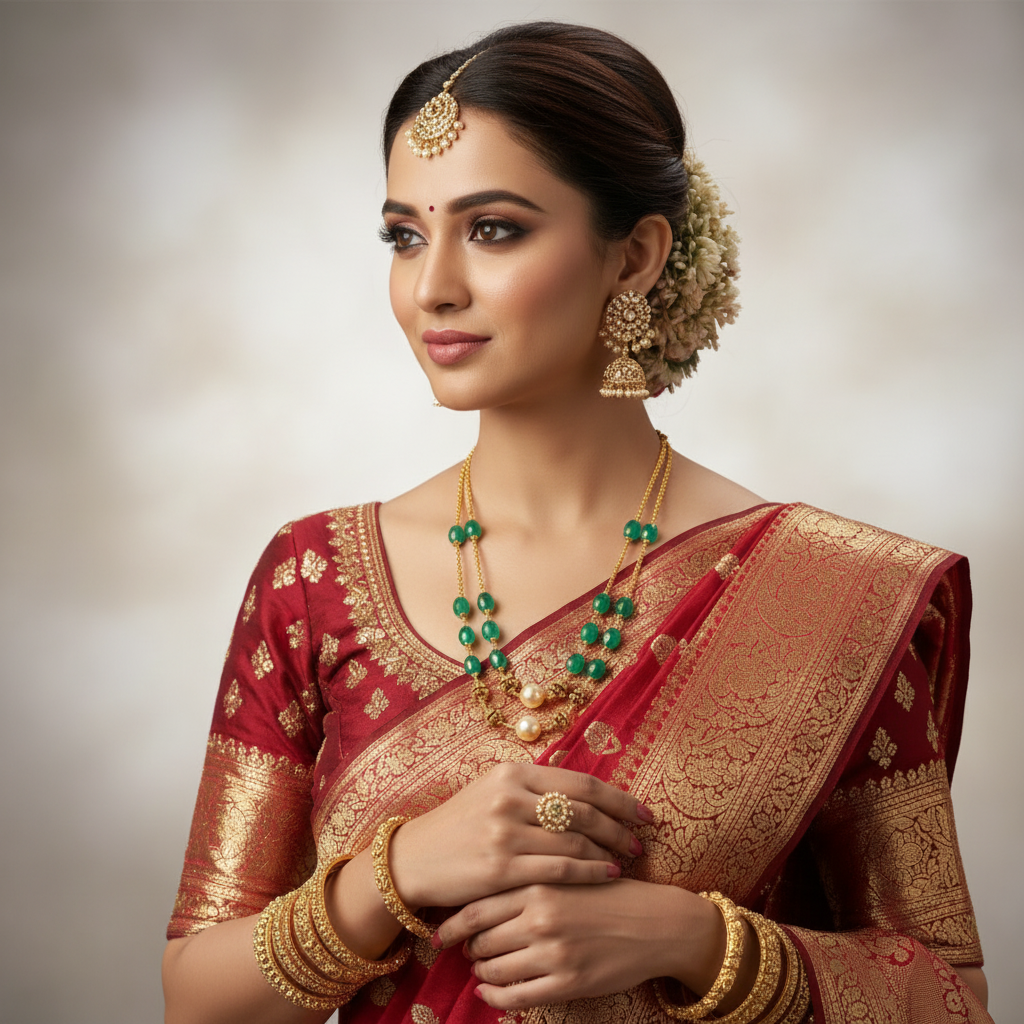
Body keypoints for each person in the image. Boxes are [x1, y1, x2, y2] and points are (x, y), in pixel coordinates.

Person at [162, 21, 991, 1024]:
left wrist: (696, 941)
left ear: (635, 255)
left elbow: (947, 998)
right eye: (404, 235)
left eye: (494, 228)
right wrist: (396, 874)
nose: (433, 287)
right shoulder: (312, 578)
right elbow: (198, 1001)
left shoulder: (826, 591)